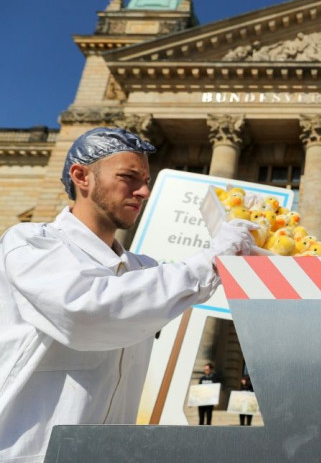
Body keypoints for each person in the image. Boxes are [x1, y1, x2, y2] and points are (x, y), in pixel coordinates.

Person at [0, 128, 257, 462]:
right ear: (82, 177)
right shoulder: (31, 242)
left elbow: (159, 290)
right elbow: (85, 312)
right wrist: (210, 260)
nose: (144, 190)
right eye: (129, 177)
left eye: (147, 179)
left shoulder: (141, 270)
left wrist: (247, 247)